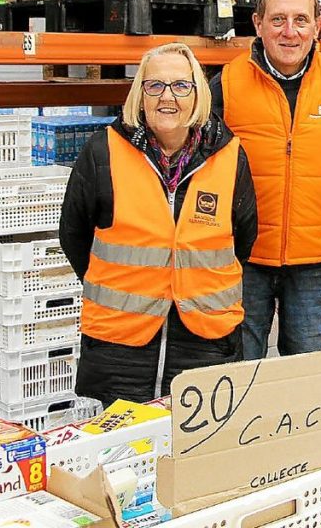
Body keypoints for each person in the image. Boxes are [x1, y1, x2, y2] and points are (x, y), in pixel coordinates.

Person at [60, 43, 258, 407]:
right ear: (140, 94)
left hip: (204, 347)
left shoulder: (229, 155)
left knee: (194, 455)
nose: (168, 97)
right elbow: (74, 236)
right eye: (155, 86)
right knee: (124, 454)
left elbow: (243, 238)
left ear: (198, 94)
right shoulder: (102, 152)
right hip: (122, 350)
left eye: (181, 86)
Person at [210, 0, 321, 359]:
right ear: (258, 24)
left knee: (307, 378)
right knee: (239, 372)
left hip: (316, 263)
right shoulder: (226, 85)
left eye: (300, 19)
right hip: (244, 259)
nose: (289, 32)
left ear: (317, 26)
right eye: (278, 19)